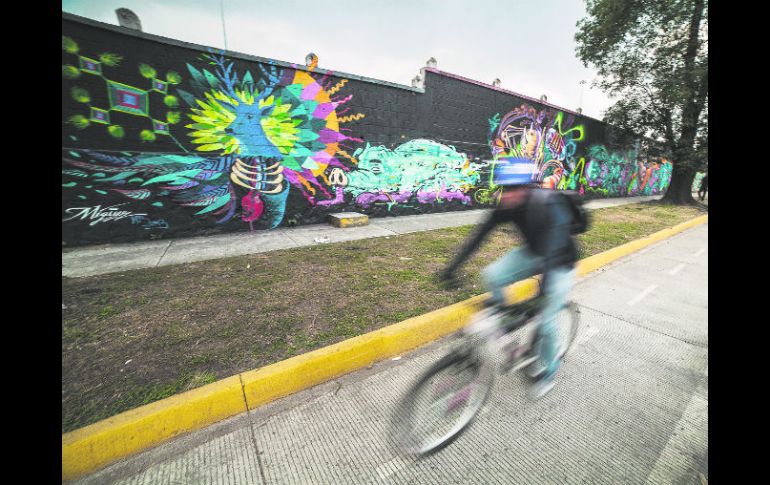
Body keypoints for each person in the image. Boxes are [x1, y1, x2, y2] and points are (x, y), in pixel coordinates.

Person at [438, 158, 580, 400]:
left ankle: (548, 372)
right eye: (502, 188)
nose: (506, 195)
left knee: (546, 321)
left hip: (560, 262)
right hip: (534, 253)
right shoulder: (505, 206)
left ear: (528, 188)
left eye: (513, 189)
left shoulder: (548, 204)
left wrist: (541, 297)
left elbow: (554, 252)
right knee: (492, 274)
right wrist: (452, 268)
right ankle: (506, 318)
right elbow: (478, 237)